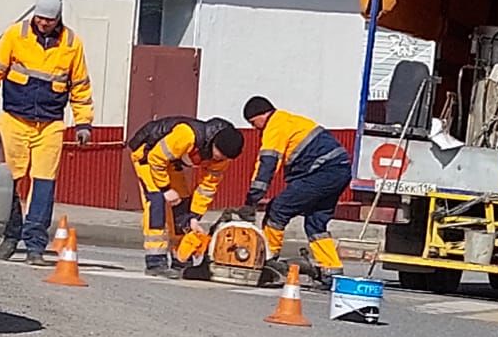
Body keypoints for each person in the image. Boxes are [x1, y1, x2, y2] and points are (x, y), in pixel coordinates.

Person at [0, 0, 94, 266]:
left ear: (58, 19)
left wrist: (83, 123)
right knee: (10, 181)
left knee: (43, 185)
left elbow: (80, 87)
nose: (43, 23)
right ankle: (11, 233)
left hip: (50, 125)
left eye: (49, 19)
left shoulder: (71, 44)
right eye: (40, 18)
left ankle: (35, 246)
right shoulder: (15, 35)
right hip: (14, 120)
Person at [240, 96, 351, 286]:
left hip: (322, 172)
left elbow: (268, 163)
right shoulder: (291, 121)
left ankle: (266, 259)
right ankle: (332, 271)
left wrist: (253, 198)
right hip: (339, 170)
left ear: (262, 115)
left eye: (253, 123)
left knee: (278, 209)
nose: (254, 128)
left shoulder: (274, 125)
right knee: (316, 223)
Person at [127, 116, 244, 276]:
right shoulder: (188, 134)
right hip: (147, 156)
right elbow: (156, 158)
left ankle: (180, 257)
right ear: (214, 142)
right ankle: (155, 261)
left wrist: (194, 216)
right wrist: (165, 188)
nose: (217, 158)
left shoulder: (223, 159)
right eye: (218, 154)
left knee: (182, 203)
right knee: (156, 201)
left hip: (170, 162)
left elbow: (207, 188)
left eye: (223, 158)